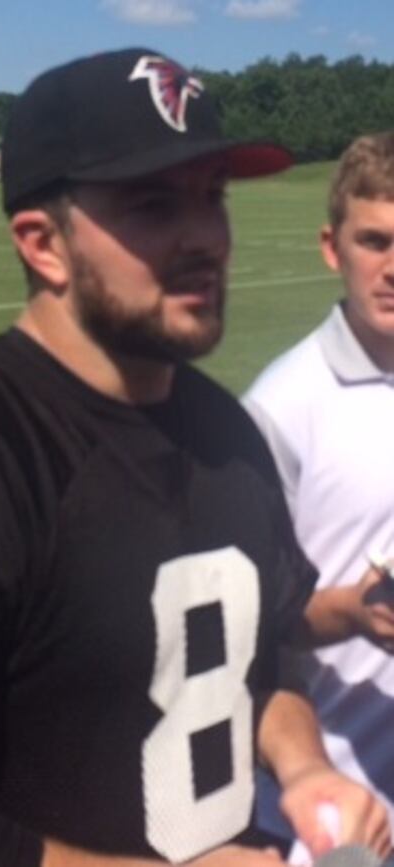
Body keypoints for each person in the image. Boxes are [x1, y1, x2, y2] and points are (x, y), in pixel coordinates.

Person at [0, 49, 389, 867]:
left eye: (211, 197)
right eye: (151, 204)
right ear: (43, 243)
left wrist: (305, 766)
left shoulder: (227, 434)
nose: (204, 238)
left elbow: (264, 651)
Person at [243, 131, 394, 848]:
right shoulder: (282, 409)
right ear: (332, 248)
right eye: (375, 241)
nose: (393, 268)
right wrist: (355, 612)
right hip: (333, 818)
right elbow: (240, 631)